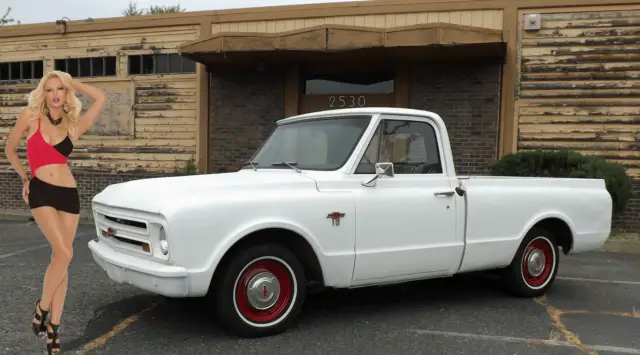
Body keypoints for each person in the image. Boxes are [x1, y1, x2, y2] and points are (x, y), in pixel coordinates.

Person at [4, 70, 105, 354]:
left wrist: (74, 81)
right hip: (41, 192)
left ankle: (53, 329)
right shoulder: (31, 117)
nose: (56, 94)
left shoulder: (74, 125)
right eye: (50, 89)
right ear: (43, 94)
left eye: (61, 89)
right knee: (65, 252)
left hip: (68, 194)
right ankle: (42, 307)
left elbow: (100, 98)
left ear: (66, 92)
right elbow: (10, 149)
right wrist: (25, 178)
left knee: (61, 259)